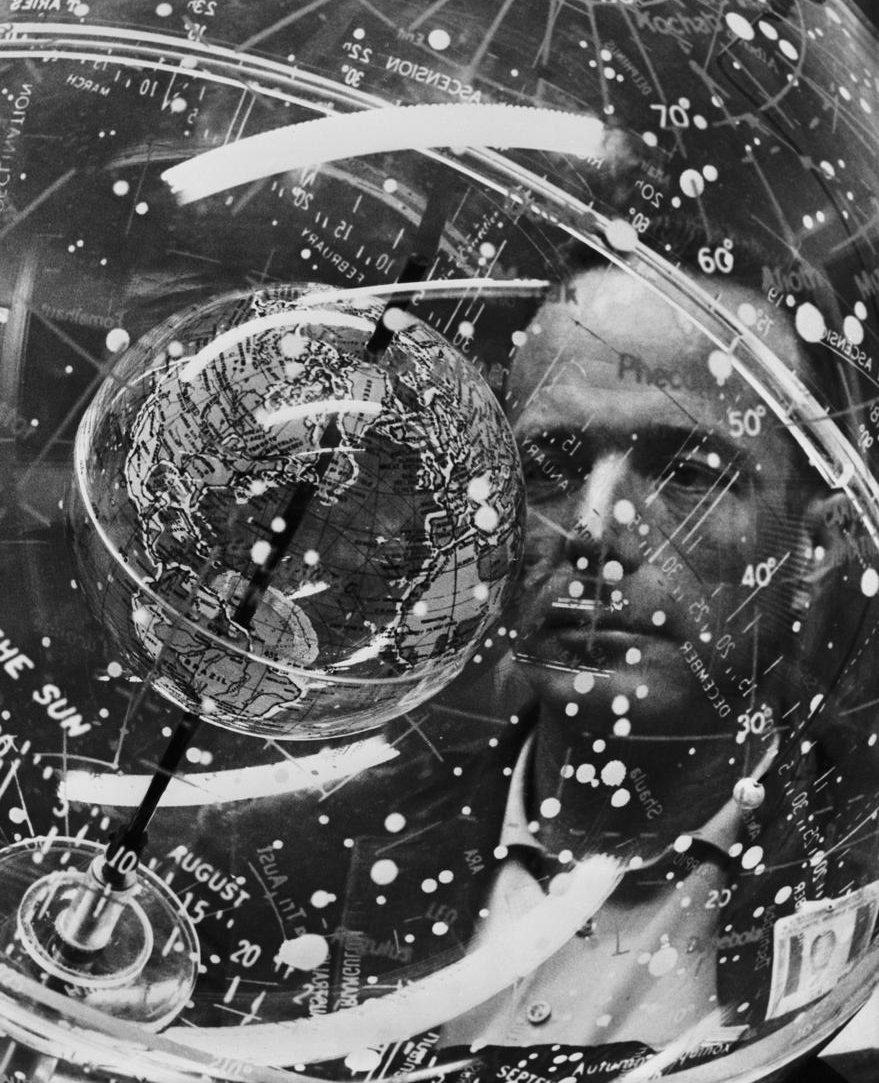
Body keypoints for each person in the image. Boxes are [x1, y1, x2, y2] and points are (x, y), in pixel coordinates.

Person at [123, 233, 879, 1081]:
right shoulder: (289, 868)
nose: (593, 530)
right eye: (551, 466)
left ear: (812, 551)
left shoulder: (853, 908)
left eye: (688, 472)